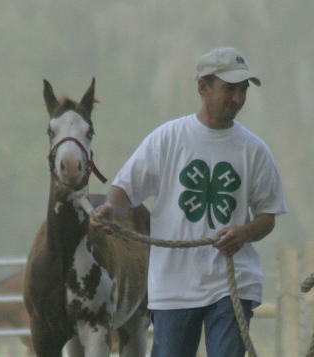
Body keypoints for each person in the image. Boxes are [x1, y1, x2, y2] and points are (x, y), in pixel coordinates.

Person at [93, 47, 286, 357]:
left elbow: (267, 216)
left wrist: (245, 233)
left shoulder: (254, 150)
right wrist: (109, 212)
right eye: (230, 89)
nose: (238, 98)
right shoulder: (167, 139)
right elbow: (124, 193)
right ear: (203, 87)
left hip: (232, 280)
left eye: (243, 90)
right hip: (173, 286)